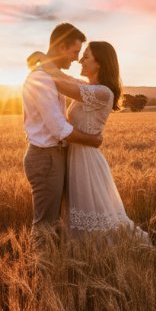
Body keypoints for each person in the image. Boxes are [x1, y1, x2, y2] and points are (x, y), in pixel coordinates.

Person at [29, 41, 150, 243]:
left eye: (86, 57)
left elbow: (59, 83)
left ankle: (115, 253)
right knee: (80, 215)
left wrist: (42, 61)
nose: (80, 61)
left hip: (86, 161)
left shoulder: (103, 92)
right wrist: (45, 61)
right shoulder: (89, 87)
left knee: (94, 216)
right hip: (74, 157)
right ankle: (85, 254)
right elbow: (65, 78)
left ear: (100, 63)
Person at [21, 23, 103, 242]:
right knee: (45, 224)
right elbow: (59, 128)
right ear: (61, 47)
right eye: (75, 52)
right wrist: (92, 140)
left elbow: (79, 86)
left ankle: (52, 260)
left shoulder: (52, 77)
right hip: (46, 157)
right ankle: (41, 263)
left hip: (52, 156)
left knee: (55, 222)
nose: (76, 59)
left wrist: (43, 58)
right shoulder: (40, 79)